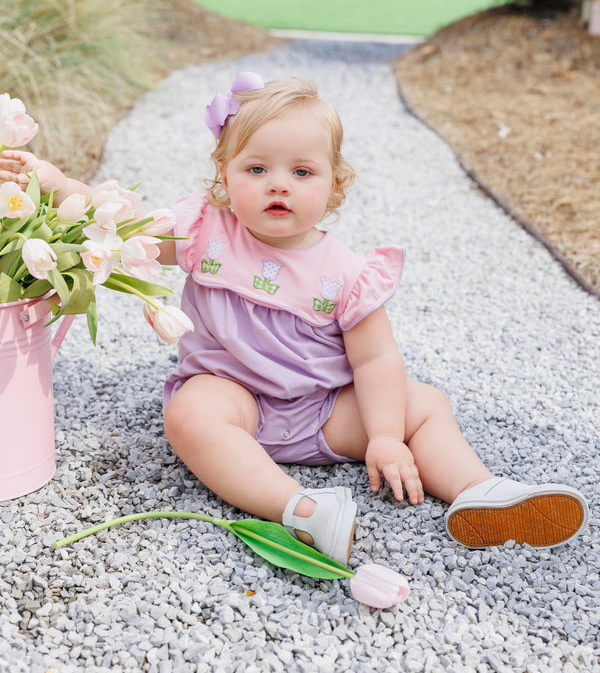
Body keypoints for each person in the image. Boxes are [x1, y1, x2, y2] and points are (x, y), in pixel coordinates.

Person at [0, 73, 589, 564]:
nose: (278, 183)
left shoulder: (347, 273)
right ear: (224, 178)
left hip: (324, 411)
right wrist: (55, 184)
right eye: (257, 170)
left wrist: (384, 436)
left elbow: (376, 358)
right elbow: (117, 224)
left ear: (334, 186)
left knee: (424, 404)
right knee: (189, 416)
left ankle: (478, 491)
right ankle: (301, 509)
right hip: (235, 400)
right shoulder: (204, 229)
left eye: (301, 173)